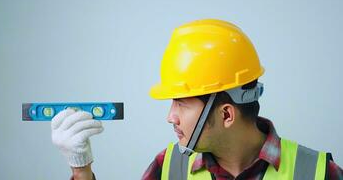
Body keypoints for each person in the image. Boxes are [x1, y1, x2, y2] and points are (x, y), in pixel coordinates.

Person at [51, 19, 343, 180]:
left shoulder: (316, 172)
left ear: (227, 114)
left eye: (181, 103)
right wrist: (81, 169)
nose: (170, 116)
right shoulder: (169, 168)